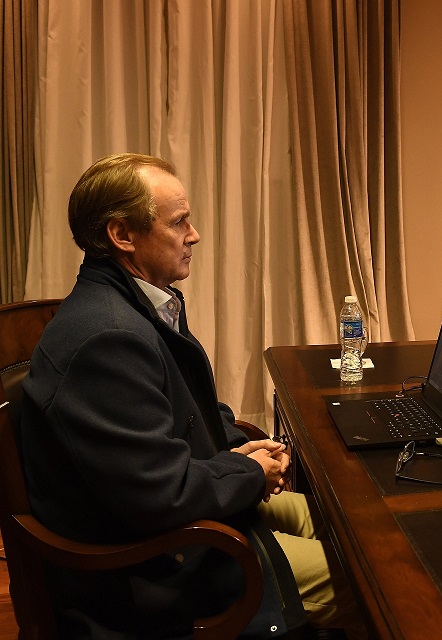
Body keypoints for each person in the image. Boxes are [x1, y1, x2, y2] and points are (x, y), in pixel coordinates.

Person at [20, 154, 361, 639]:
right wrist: (249, 471)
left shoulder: (135, 304)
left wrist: (241, 449)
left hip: (186, 525)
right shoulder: (108, 336)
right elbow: (160, 494)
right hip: (157, 569)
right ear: (122, 234)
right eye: (179, 222)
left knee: (350, 528)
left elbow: (190, 408)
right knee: (368, 580)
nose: (194, 234)